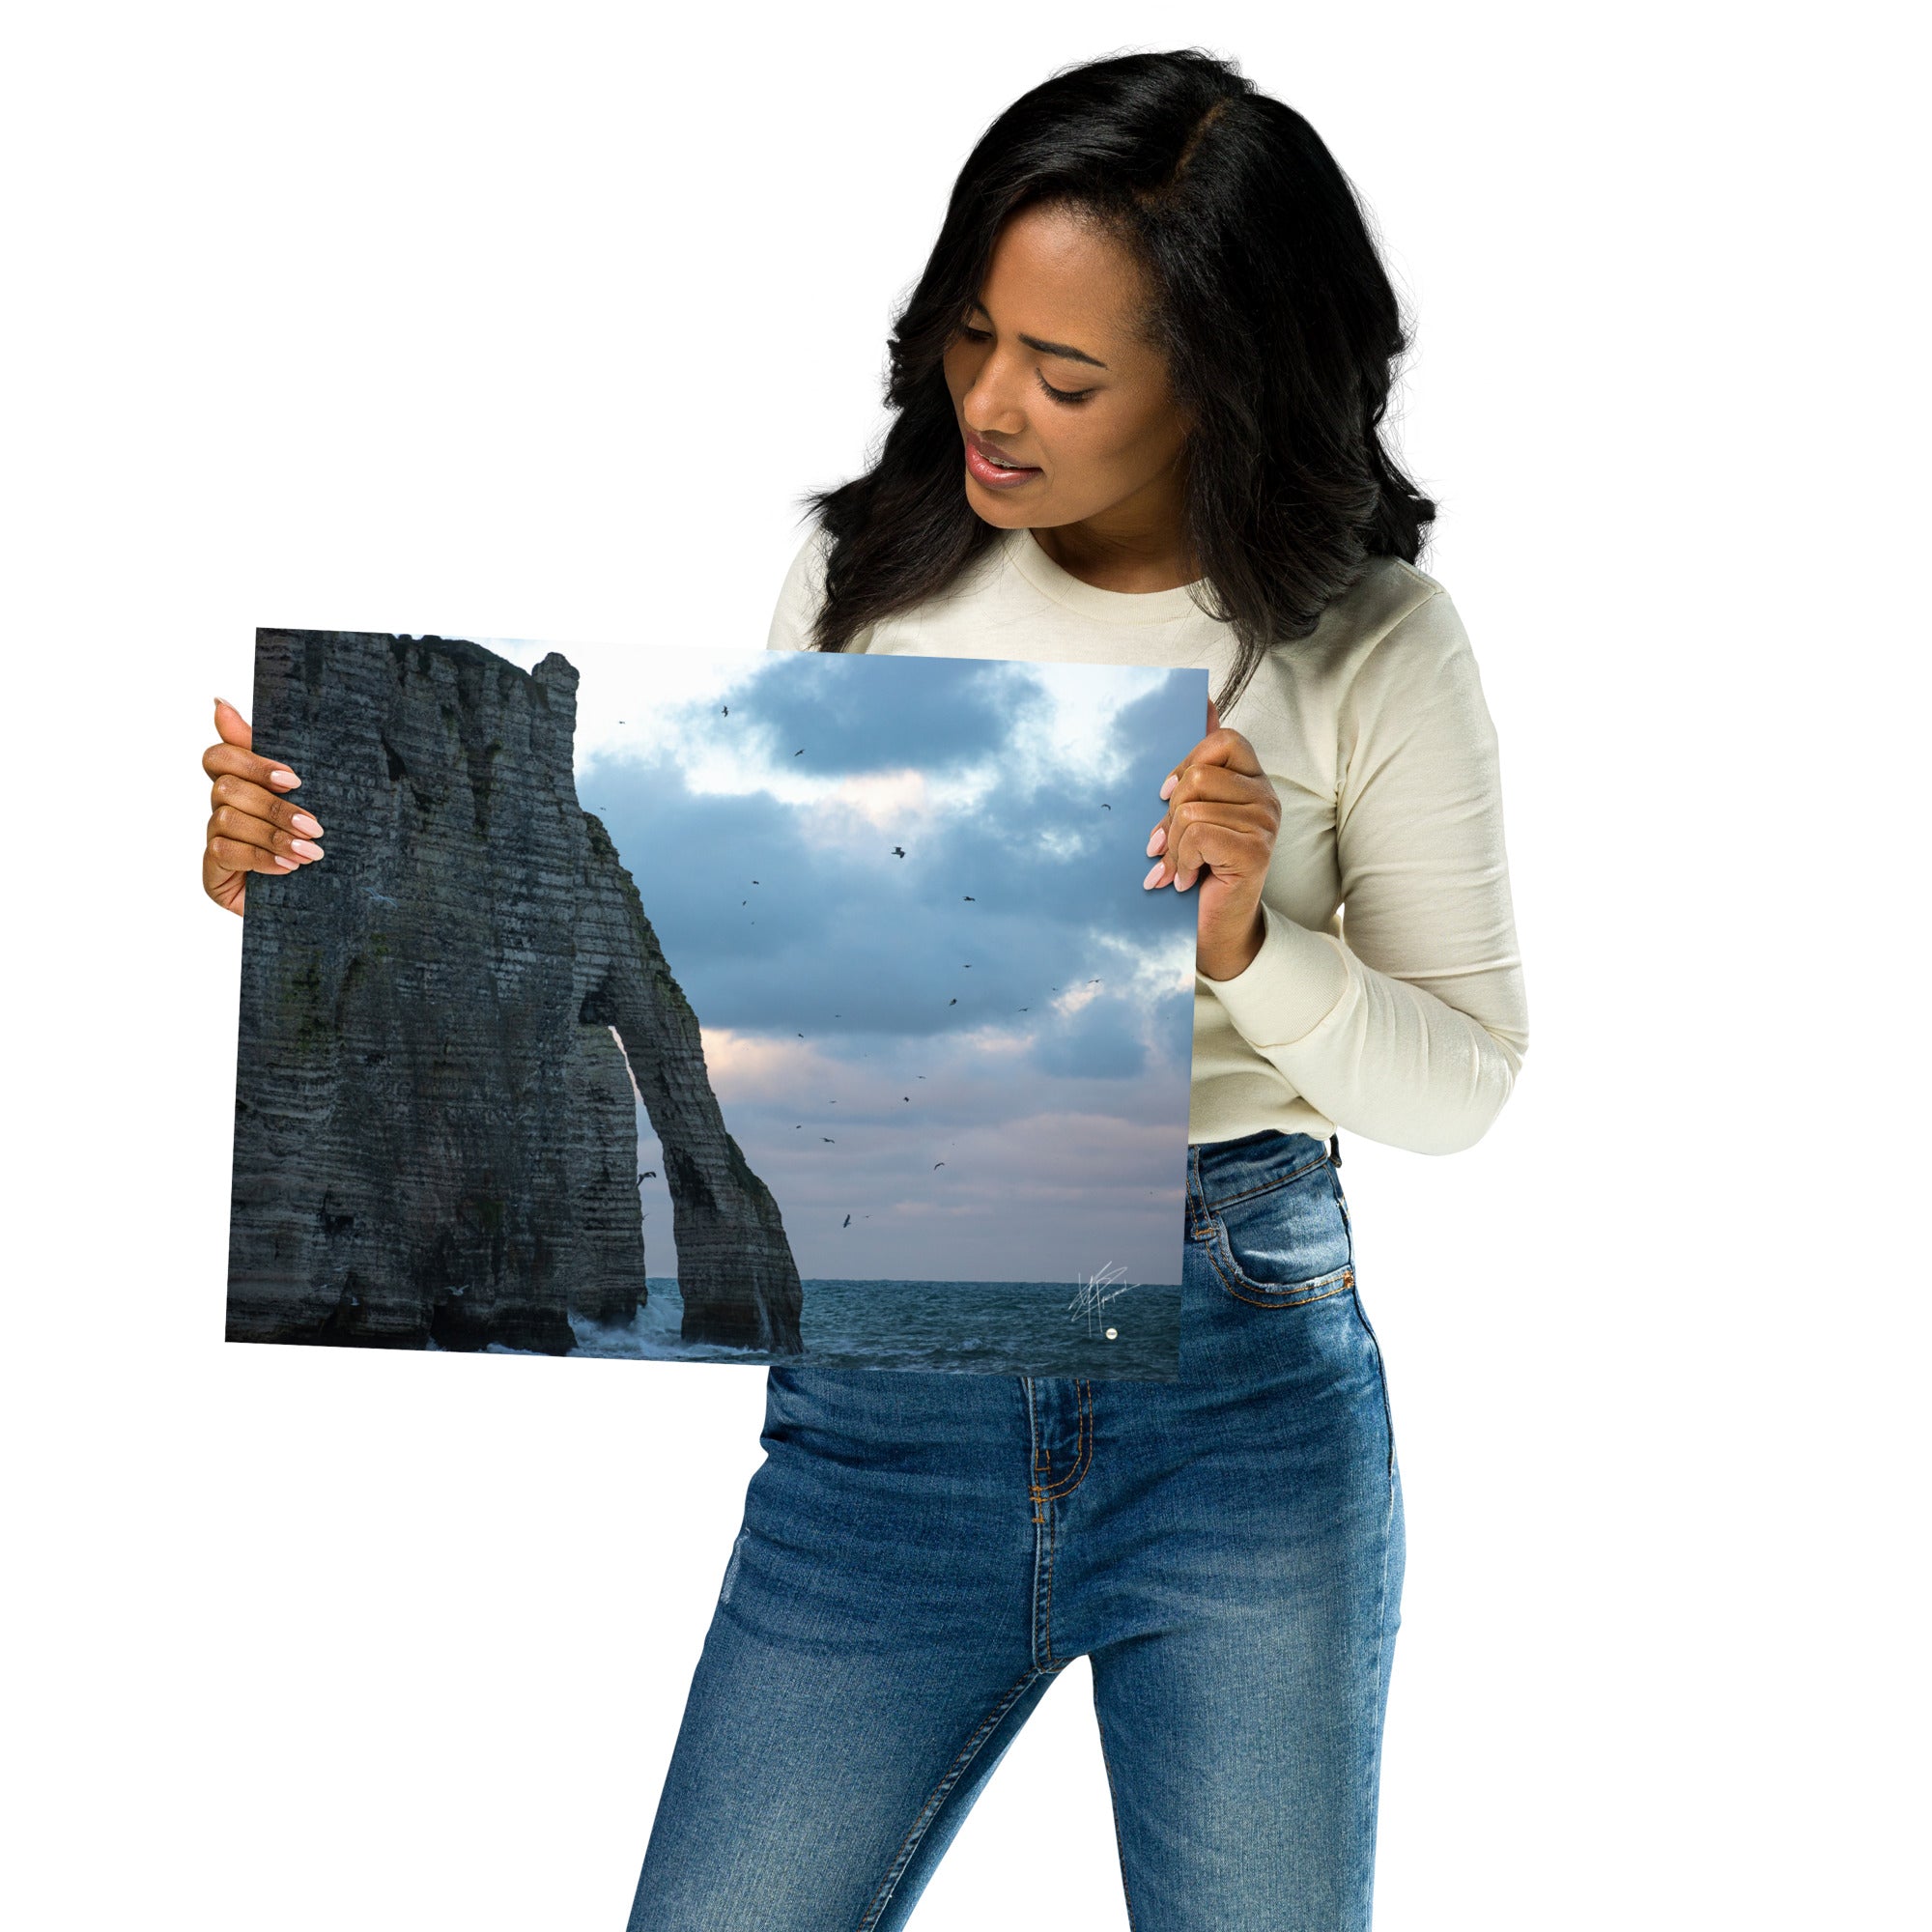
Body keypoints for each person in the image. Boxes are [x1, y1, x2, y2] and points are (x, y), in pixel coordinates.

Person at [199, 48, 1528, 1932]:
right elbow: (718, 993)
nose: (991, 402)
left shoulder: (1372, 641)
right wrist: (326, 881)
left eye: (1065, 375)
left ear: (1224, 380)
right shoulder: (860, 573)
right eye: (972, 334)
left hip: (1236, 1395)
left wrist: (1248, 946)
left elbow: (1465, 1081)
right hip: (883, 1420)